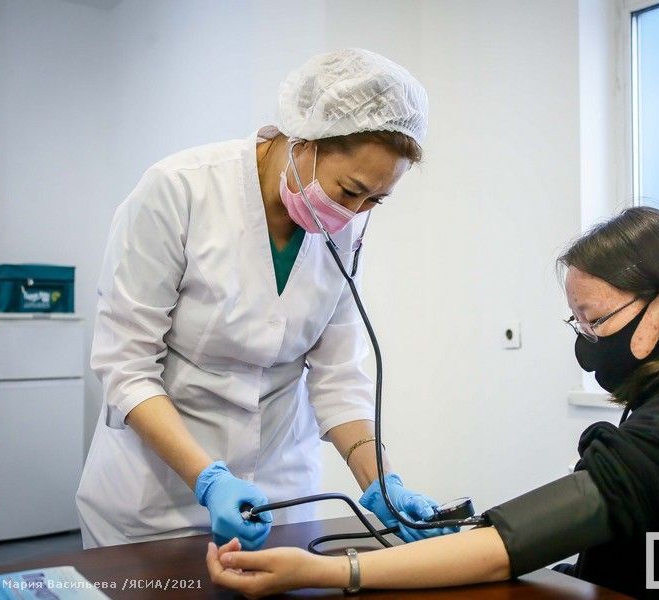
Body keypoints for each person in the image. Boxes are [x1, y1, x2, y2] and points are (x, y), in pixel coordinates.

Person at [204, 206, 659, 599]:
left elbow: (516, 545)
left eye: (597, 320)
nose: (587, 341)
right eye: (577, 322)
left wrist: (335, 571)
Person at [76, 48, 455, 550]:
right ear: (304, 141)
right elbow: (125, 364)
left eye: (374, 201)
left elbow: (338, 376)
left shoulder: (345, 226)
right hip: (155, 498)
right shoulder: (180, 190)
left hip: (280, 494)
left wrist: (382, 482)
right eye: (349, 191)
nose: (353, 213)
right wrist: (208, 480)